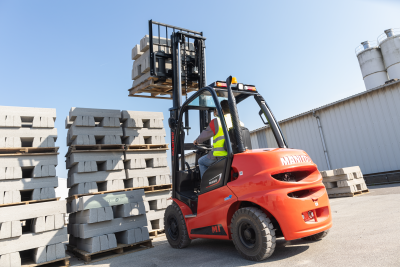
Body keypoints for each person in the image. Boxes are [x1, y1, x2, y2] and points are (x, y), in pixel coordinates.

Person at [193, 100, 244, 178]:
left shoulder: (217, 121)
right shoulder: (239, 122)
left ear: (221, 110)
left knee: (201, 162)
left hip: (220, 156)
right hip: (235, 156)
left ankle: (206, 187)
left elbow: (205, 134)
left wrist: (197, 141)